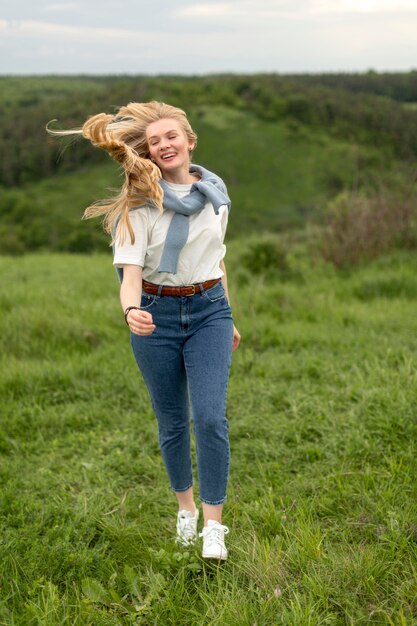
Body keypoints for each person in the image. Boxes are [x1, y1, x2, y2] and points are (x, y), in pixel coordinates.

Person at [47, 101, 241, 560]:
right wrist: (131, 311)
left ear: (190, 141)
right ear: (148, 153)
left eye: (171, 136)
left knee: (211, 417)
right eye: (154, 142)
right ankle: (186, 512)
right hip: (156, 315)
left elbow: (218, 258)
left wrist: (229, 315)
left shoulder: (216, 196)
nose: (163, 145)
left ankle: (214, 526)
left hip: (210, 309)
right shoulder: (137, 210)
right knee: (172, 420)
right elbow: (129, 279)